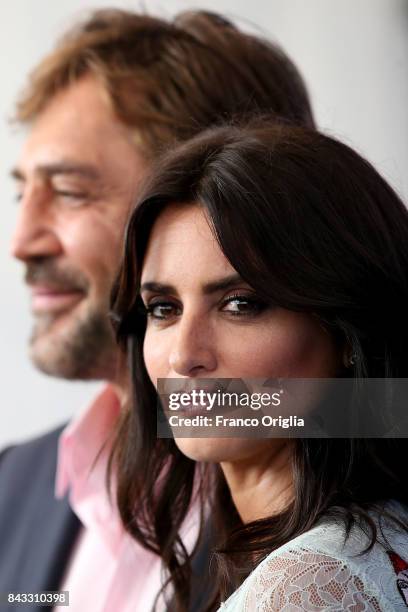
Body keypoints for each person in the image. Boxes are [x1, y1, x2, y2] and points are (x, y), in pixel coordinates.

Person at [0, 8, 316, 612]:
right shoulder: (14, 483)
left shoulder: (349, 543)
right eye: (23, 193)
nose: (22, 240)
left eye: (68, 192)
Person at [111, 121, 408, 611]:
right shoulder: (378, 539)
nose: (184, 355)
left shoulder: (306, 589)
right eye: (163, 308)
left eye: (240, 304)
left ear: (347, 331)